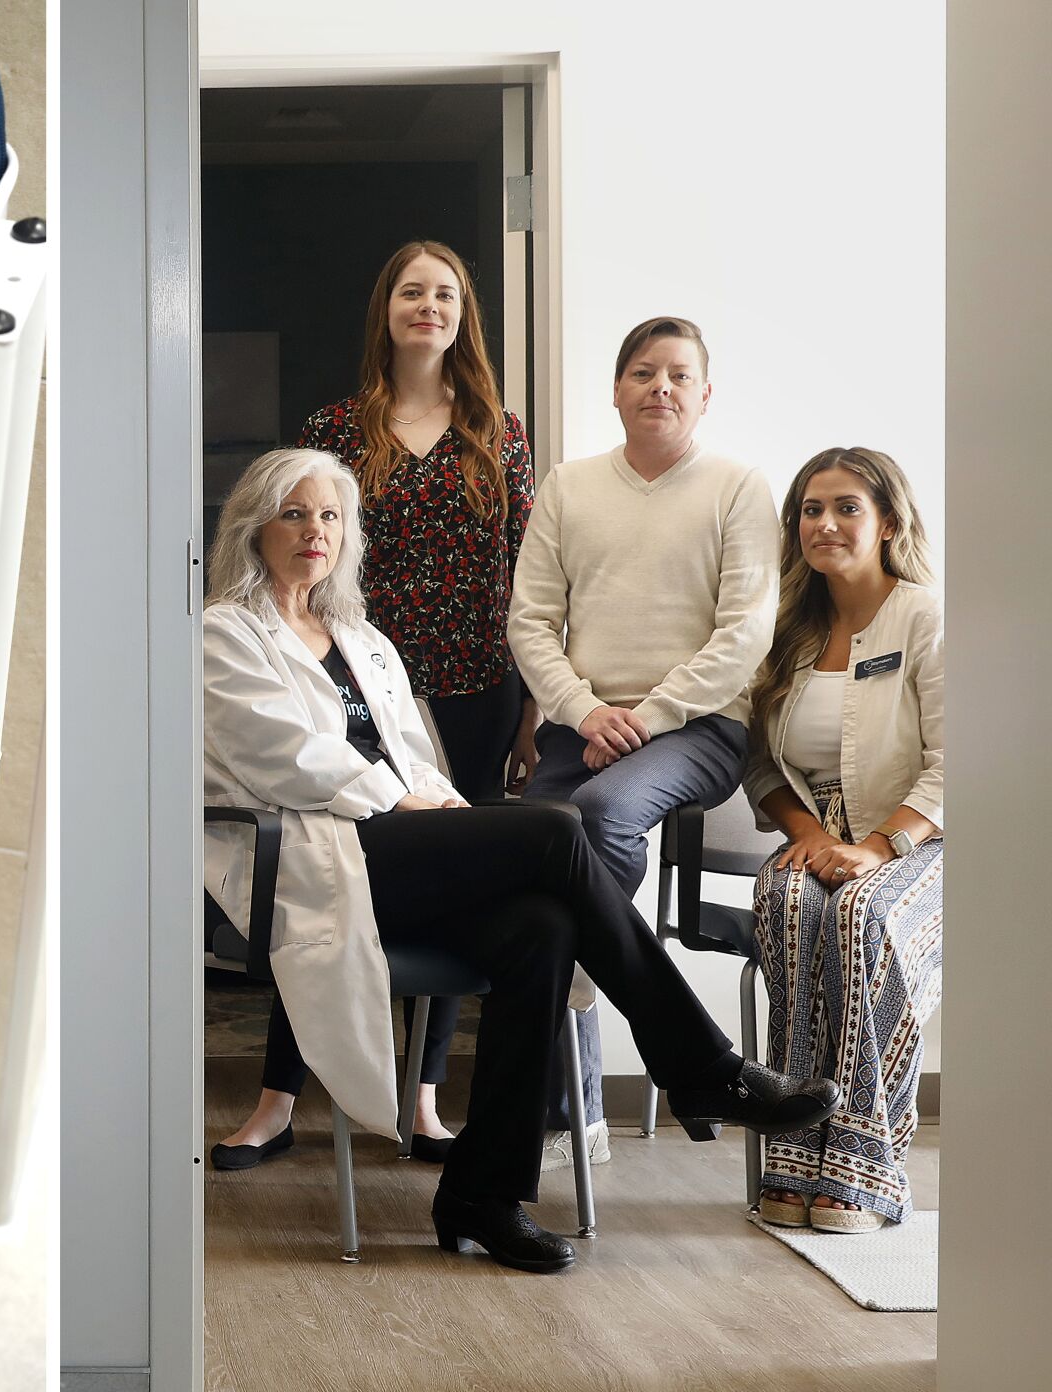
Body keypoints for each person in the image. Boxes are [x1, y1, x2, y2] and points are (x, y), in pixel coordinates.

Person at [202, 446, 837, 1273]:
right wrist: (408, 805)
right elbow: (280, 755)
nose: (315, 532)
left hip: (395, 846)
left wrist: (442, 808)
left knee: (538, 925)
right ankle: (702, 1065)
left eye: (330, 516)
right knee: (556, 830)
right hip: (310, 853)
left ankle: (482, 1194)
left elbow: (414, 757)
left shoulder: (361, 638)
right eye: (294, 514)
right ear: (255, 527)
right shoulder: (223, 634)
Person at [284, 240, 537, 1157]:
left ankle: (425, 1095)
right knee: (319, 874)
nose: (428, 307)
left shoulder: (500, 431)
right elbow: (306, 567)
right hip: (359, 689)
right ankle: (280, 1094)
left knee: (450, 884)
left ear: (463, 313)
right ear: (385, 310)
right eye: (411, 292)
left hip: (475, 687)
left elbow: (525, 571)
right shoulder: (335, 428)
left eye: (445, 294)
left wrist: (533, 704)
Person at [507, 316, 779, 1165]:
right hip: (581, 726)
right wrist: (585, 712)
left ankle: (586, 991)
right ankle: (573, 1110)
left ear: (704, 395)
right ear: (617, 390)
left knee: (593, 817)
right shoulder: (568, 485)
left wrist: (646, 719)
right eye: (642, 373)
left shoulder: (737, 487)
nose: (659, 387)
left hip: (697, 729)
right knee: (522, 884)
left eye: (678, 376)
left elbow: (745, 632)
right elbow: (530, 619)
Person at [743, 448, 942, 1233]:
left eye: (847, 507)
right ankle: (795, 1151)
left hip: (925, 840)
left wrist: (882, 845)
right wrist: (808, 832)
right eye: (811, 509)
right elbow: (758, 761)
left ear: (888, 522)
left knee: (861, 912)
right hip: (821, 833)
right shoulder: (786, 631)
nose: (825, 524)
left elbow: (962, 758)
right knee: (787, 900)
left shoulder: (926, 617)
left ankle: (866, 1164)